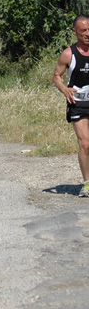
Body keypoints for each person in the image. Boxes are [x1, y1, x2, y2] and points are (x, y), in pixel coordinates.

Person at [54, 14, 89, 197]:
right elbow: (56, 76)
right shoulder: (69, 54)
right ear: (75, 31)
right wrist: (65, 90)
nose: (88, 34)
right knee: (85, 143)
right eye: (83, 30)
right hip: (78, 103)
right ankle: (87, 183)